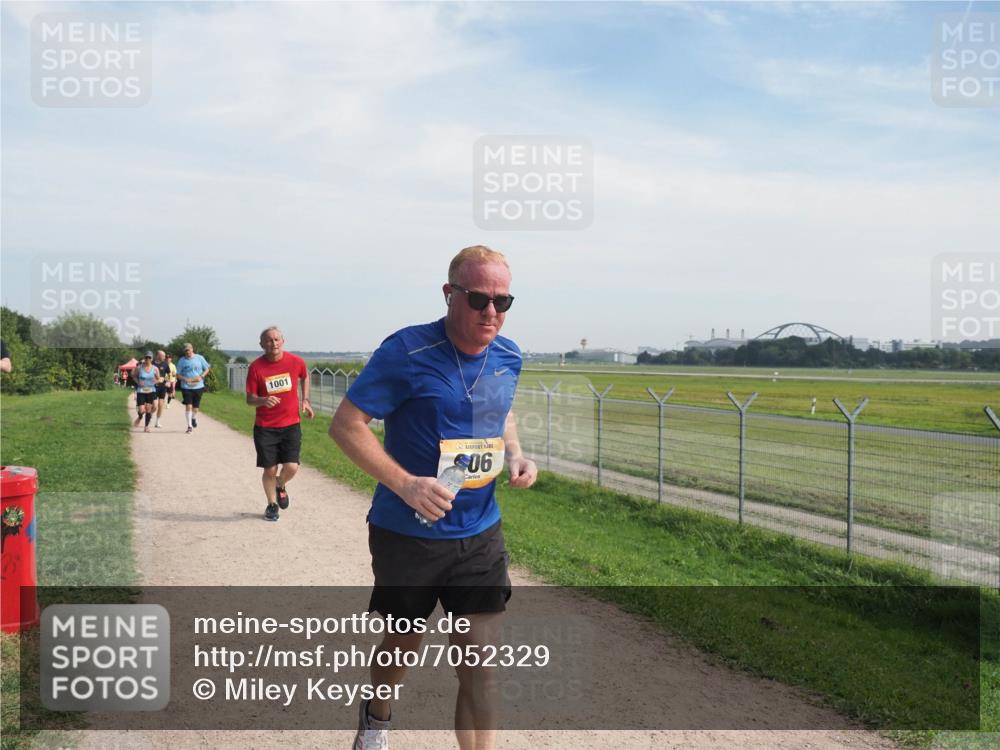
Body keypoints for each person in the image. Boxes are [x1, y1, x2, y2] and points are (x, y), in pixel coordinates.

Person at [329, 245, 537, 750]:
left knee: (480, 667)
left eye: (503, 301)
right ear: (449, 294)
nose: (492, 312)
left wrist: (515, 454)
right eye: (479, 298)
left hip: (479, 533)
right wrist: (406, 484)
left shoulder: (509, 356)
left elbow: (501, 412)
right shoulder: (406, 352)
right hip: (408, 535)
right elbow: (346, 426)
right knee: (404, 642)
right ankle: (376, 716)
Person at [245, 326, 314, 522]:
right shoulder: (256, 367)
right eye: (268, 340)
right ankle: (272, 505)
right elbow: (250, 399)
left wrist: (305, 400)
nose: (273, 343)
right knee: (270, 469)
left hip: (291, 424)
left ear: (283, 341)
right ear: (262, 344)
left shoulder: (295, 362)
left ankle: (280, 485)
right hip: (266, 426)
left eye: (276, 339)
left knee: (292, 467)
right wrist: (263, 400)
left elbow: (305, 376)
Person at [175, 343, 211, 434]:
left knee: (196, 408)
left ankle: (193, 417)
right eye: (186, 350)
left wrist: (201, 376)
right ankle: (189, 426)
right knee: (188, 405)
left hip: (198, 386)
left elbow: (207, 369)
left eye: (188, 350)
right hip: (186, 386)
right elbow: (177, 374)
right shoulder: (182, 361)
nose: (187, 352)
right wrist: (185, 379)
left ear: (192, 349)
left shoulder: (199, 358)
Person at [132, 352, 162, 433]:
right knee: (141, 410)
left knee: (148, 408)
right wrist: (138, 382)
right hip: (141, 391)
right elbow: (134, 376)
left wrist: (155, 381)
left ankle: (146, 427)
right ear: (144, 358)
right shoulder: (139, 367)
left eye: (149, 358)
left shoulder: (155, 369)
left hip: (150, 390)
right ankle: (140, 417)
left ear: (152, 359)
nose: (147, 359)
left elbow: (159, 379)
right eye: (146, 358)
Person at [152, 350, 170, 428]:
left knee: (160, 405)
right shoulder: (152, 363)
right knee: (155, 406)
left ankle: (157, 421)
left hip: (162, 387)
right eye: (163, 356)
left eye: (164, 356)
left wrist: (167, 381)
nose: (164, 357)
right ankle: (149, 415)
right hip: (153, 386)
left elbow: (169, 374)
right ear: (158, 356)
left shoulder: (165, 364)